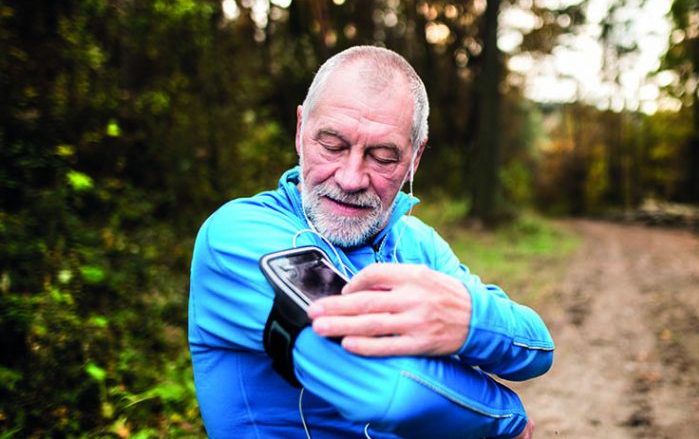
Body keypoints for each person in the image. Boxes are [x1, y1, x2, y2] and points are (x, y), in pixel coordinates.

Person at [188, 45, 553, 439]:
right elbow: (392, 389)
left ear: (415, 159)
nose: (350, 178)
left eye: (382, 157)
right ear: (300, 130)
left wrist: (469, 320)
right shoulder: (240, 235)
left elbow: (537, 348)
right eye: (332, 144)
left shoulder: (417, 243)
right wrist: (509, 419)